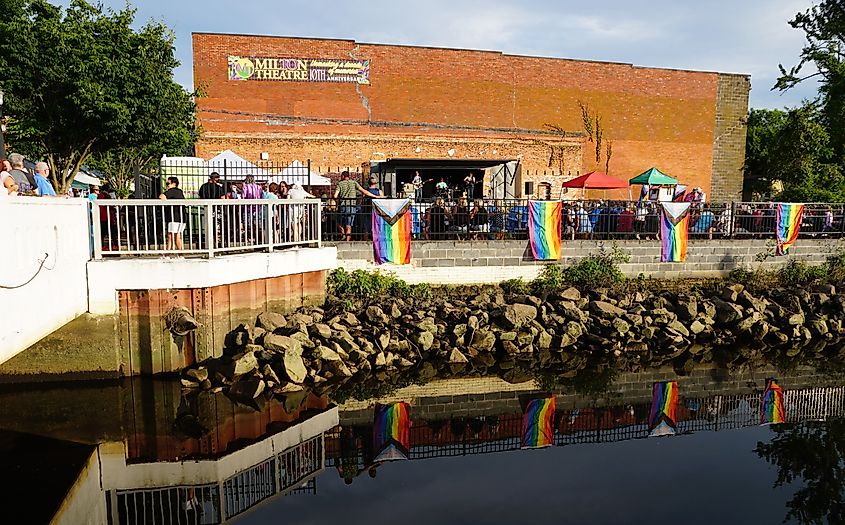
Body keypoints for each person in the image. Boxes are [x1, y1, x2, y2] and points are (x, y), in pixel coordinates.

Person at [333, 170, 380, 241]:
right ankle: (347, 241)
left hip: (343, 206)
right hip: (352, 206)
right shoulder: (354, 183)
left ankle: (343, 234)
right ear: (348, 176)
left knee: (339, 222)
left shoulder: (340, 184)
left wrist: (338, 199)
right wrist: (375, 196)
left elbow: (335, 196)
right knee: (349, 225)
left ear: (343, 176)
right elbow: (364, 191)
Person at [159, 176, 186, 252]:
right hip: (181, 216)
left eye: (168, 183)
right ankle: (175, 254)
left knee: (173, 236)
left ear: (174, 184)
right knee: (175, 236)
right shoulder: (179, 191)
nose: (166, 186)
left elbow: (162, 196)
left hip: (174, 216)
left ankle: (176, 254)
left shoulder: (173, 190)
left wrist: (166, 203)